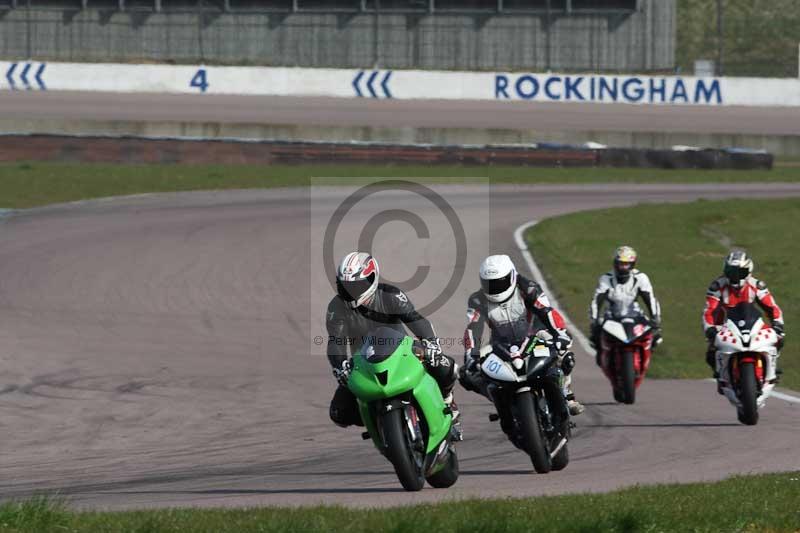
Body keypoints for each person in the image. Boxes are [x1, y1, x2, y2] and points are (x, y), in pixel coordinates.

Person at [326, 252, 459, 428]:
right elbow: (336, 341)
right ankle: (378, 422)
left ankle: (448, 402)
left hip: (403, 352)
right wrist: (340, 365)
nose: (350, 292)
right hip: (363, 363)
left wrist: (431, 343)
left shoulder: (390, 295)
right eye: (345, 286)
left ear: (371, 278)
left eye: (355, 286)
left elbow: (416, 320)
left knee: (446, 365)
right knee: (339, 413)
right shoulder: (337, 307)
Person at [461, 254, 584, 416]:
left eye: (500, 282)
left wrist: (559, 334)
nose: (496, 288)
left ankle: (566, 394)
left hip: (536, 334)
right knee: (467, 374)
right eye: (490, 284)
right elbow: (473, 328)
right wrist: (471, 355)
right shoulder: (477, 300)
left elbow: (547, 311)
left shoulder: (528, 287)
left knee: (564, 354)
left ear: (512, 276)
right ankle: (502, 402)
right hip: (500, 343)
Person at [703, 250, 785, 378]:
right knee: (710, 354)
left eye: (739, 272)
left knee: (779, 338)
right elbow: (709, 311)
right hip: (725, 326)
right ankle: (721, 375)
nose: (735, 277)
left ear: (748, 271)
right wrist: (710, 329)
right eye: (731, 272)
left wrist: (778, 323)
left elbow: (772, 307)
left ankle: (771, 368)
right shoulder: (717, 287)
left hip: (752, 323)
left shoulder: (757, 286)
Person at [589, 245, 662, 364]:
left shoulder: (641, 278)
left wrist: (655, 318)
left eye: (626, 264)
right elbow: (596, 301)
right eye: (620, 264)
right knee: (596, 335)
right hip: (612, 315)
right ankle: (602, 354)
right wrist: (594, 321)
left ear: (632, 265)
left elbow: (650, 299)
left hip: (635, 314)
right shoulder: (606, 279)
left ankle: (646, 356)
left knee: (655, 335)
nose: (623, 267)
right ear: (615, 263)